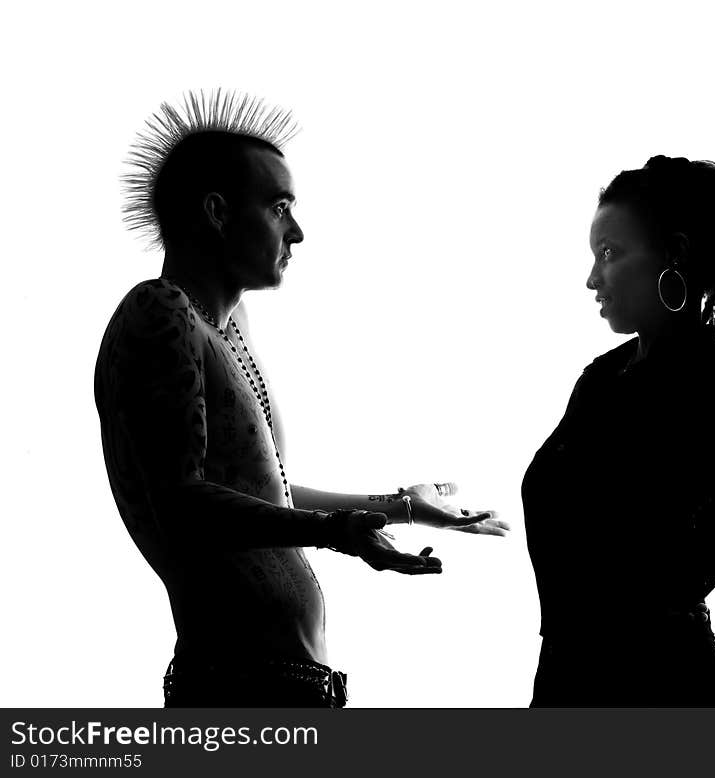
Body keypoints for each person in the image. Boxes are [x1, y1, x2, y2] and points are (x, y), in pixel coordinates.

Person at [94, 90, 507, 708]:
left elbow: (263, 493)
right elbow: (183, 502)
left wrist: (399, 507)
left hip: (290, 685)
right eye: (279, 207)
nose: (298, 232)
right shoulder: (161, 312)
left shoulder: (228, 327)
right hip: (236, 687)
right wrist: (337, 532)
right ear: (215, 212)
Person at [523, 155, 715, 707]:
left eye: (611, 253)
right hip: (569, 675)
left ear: (673, 254)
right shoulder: (602, 378)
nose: (593, 278)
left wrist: (666, 592)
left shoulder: (713, 376)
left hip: (657, 682)